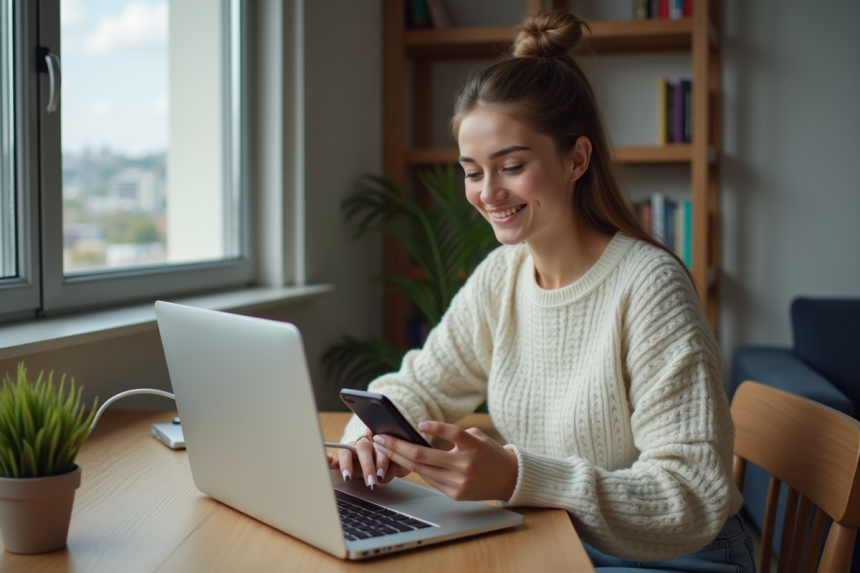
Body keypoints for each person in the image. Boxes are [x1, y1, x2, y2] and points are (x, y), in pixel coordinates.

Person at [330, 9, 754, 572]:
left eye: (510, 166)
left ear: (577, 158)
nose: (487, 193)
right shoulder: (503, 275)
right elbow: (419, 384)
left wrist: (514, 476)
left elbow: (692, 494)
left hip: (677, 558)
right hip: (558, 538)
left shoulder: (648, 286)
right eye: (472, 171)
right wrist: (365, 439)